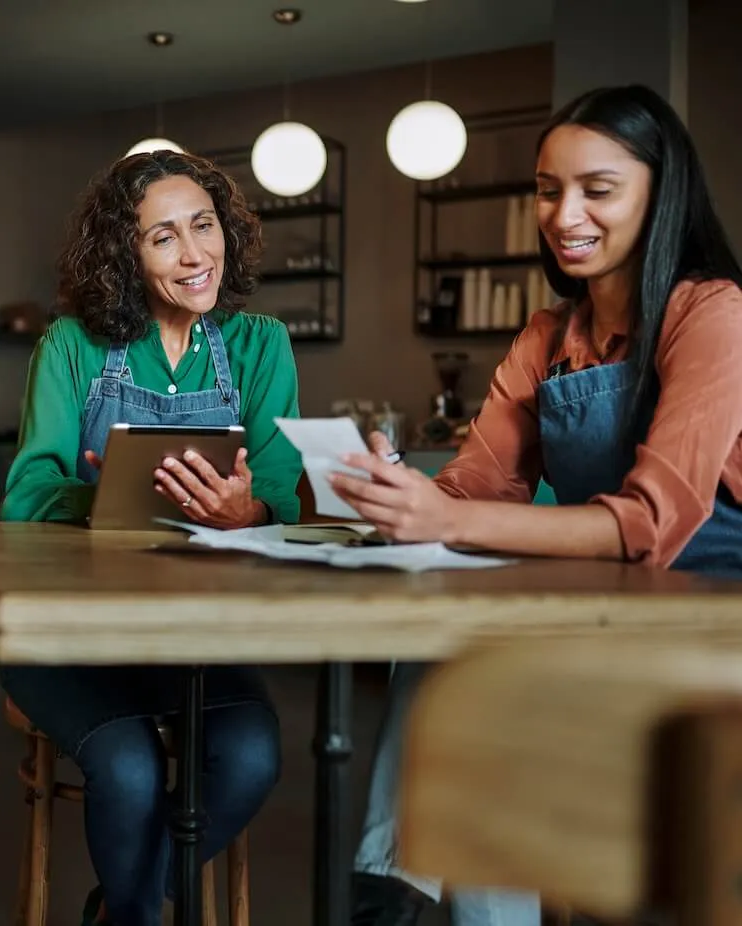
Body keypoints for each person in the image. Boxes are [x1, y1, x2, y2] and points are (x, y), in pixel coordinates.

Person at [332, 84, 742, 926]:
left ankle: (392, 885)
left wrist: (447, 521)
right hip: (603, 611)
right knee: (454, 647)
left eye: (599, 188)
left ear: (662, 194)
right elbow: (471, 490)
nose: (564, 214)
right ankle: (398, 887)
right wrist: (393, 490)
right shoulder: (545, 337)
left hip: (708, 629)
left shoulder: (713, 313)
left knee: (485, 701)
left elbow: (651, 525)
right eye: (549, 190)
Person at [0, 150, 301, 926]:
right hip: (70, 631)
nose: (194, 253)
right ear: (123, 255)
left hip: (195, 633)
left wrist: (249, 513)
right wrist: (103, 496)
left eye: (204, 226)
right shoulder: (72, 345)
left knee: (251, 756)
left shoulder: (261, 344)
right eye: (162, 237)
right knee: (129, 771)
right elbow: (28, 492)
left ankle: (124, 905)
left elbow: (277, 489)